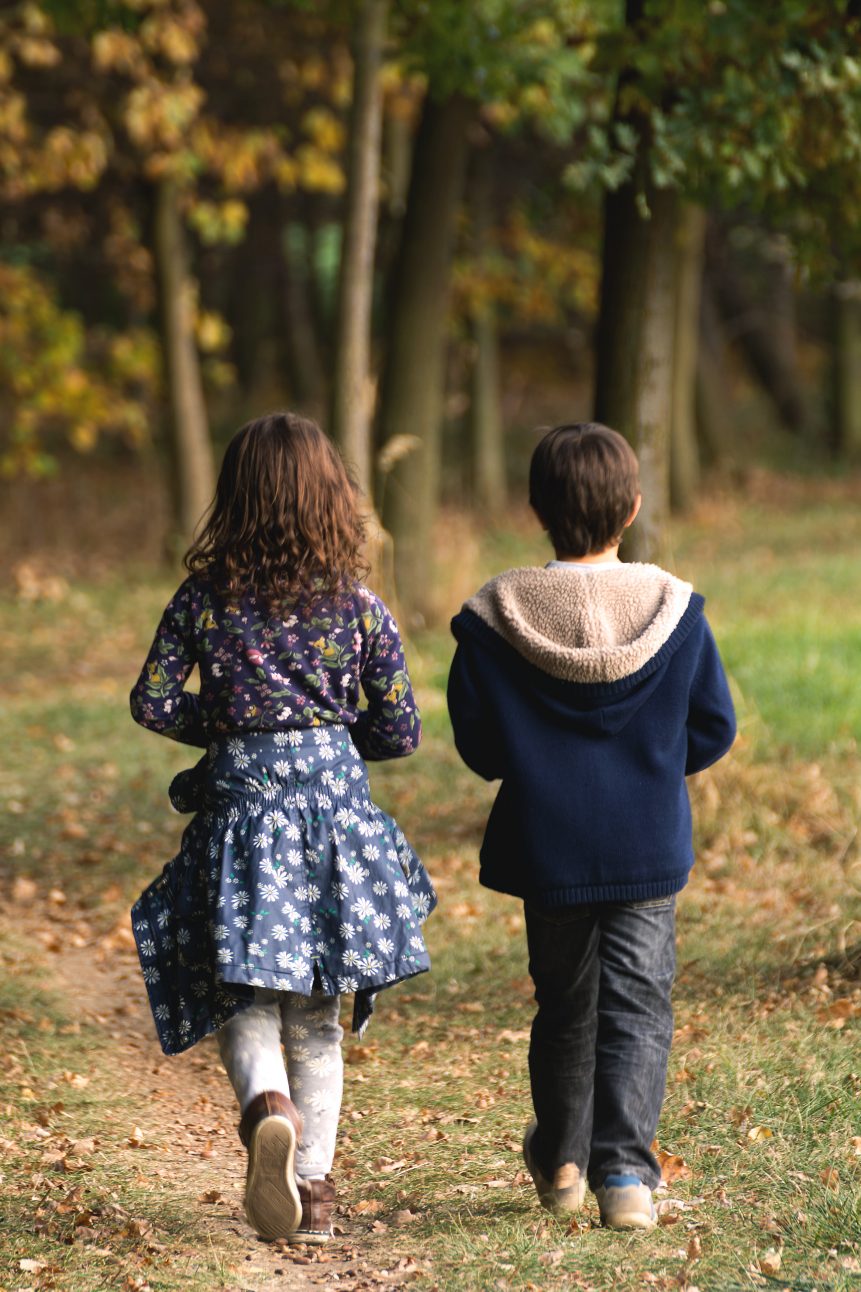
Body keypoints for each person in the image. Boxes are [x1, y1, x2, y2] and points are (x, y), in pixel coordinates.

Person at [129, 412, 435, 1244]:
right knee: (316, 1016)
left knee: (246, 997)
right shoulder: (360, 609)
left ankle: (268, 1108)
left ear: (234, 500)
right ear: (333, 500)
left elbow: (151, 700)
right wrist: (333, 739)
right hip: (331, 815)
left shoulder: (202, 600)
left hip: (238, 812)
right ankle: (317, 1194)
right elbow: (401, 729)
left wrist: (226, 726)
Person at [446, 423, 735, 1231]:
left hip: (548, 845)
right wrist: (648, 767)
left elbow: (479, 744)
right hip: (645, 840)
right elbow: (712, 726)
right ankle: (626, 1179)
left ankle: (564, 1160)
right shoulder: (674, 610)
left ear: (536, 508)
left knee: (564, 1003)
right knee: (639, 1004)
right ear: (633, 507)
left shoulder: (494, 616)